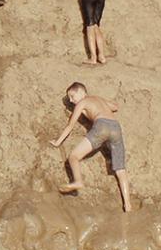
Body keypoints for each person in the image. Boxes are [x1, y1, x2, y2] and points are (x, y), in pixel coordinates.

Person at [50, 82, 132, 212]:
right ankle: (127, 205)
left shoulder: (82, 103)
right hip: (116, 127)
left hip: (101, 126)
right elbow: (115, 107)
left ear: (82, 92)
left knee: (73, 157)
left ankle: (78, 181)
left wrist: (57, 142)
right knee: (121, 170)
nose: (71, 100)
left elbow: (70, 126)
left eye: (72, 96)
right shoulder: (98, 99)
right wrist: (101, 104)